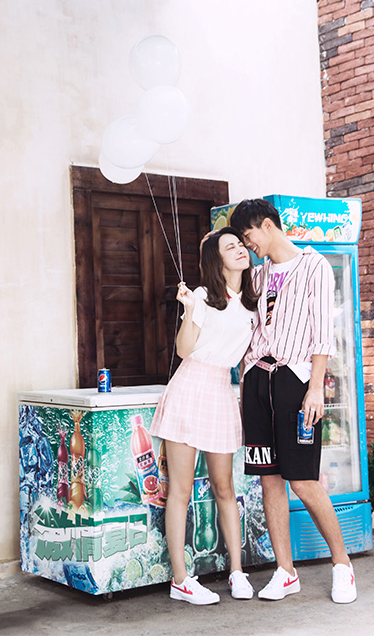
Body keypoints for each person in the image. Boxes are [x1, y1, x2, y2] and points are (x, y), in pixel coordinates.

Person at [229, 198, 357, 604]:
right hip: (256, 380)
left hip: (295, 380)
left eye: (248, 236)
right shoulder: (258, 274)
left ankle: (342, 564)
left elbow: (322, 333)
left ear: (267, 226)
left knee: (302, 479)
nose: (249, 246)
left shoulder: (314, 266)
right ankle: (285, 571)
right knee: (269, 479)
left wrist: (315, 388)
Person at [149, 227, 259, 605]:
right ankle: (181, 580)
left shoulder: (252, 302)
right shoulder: (201, 296)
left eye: (241, 244)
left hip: (221, 392)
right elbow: (184, 350)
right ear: (217, 259)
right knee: (180, 490)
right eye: (231, 246)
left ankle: (237, 572)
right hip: (190, 386)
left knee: (224, 487)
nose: (241, 250)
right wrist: (189, 311)